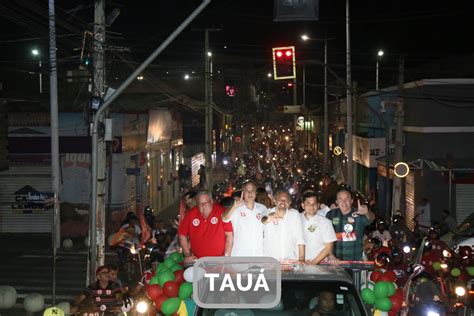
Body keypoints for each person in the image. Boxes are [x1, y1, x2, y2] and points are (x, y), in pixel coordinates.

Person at [178, 190, 233, 264]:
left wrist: (226, 257)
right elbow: (182, 234)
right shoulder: (191, 214)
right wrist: (187, 254)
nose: (203, 206)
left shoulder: (221, 212)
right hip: (198, 261)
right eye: (200, 204)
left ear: (211, 201)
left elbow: (229, 235)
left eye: (206, 203)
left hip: (219, 261)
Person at [326, 188, 375, 261]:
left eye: (347, 199)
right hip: (335, 261)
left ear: (351, 201)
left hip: (355, 261)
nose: (344, 202)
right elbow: (325, 237)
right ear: (337, 201)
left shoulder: (359, 214)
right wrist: (330, 255)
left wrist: (367, 213)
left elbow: (371, 218)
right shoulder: (331, 214)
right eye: (340, 199)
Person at [222, 180, 268, 256]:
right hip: (240, 255)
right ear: (243, 193)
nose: (250, 193)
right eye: (247, 191)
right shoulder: (236, 208)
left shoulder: (262, 208)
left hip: (258, 255)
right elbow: (224, 219)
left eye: (252, 191)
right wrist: (234, 206)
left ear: (256, 193)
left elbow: (266, 224)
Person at [262, 190, 305, 261]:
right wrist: (267, 219)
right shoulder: (267, 212)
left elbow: (300, 239)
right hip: (270, 262)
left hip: (290, 261)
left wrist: (302, 260)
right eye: (280, 199)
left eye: (286, 200)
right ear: (274, 201)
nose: (283, 201)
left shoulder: (294, 214)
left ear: (289, 203)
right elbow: (262, 219)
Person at [300, 191, 337, 265]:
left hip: (320, 264)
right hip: (299, 264)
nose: (311, 206)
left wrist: (313, 262)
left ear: (318, 205)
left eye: (314, 203)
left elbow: (328, 247)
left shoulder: (325, 222)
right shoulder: (296, 219)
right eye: (308, 203)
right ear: (303, 205)